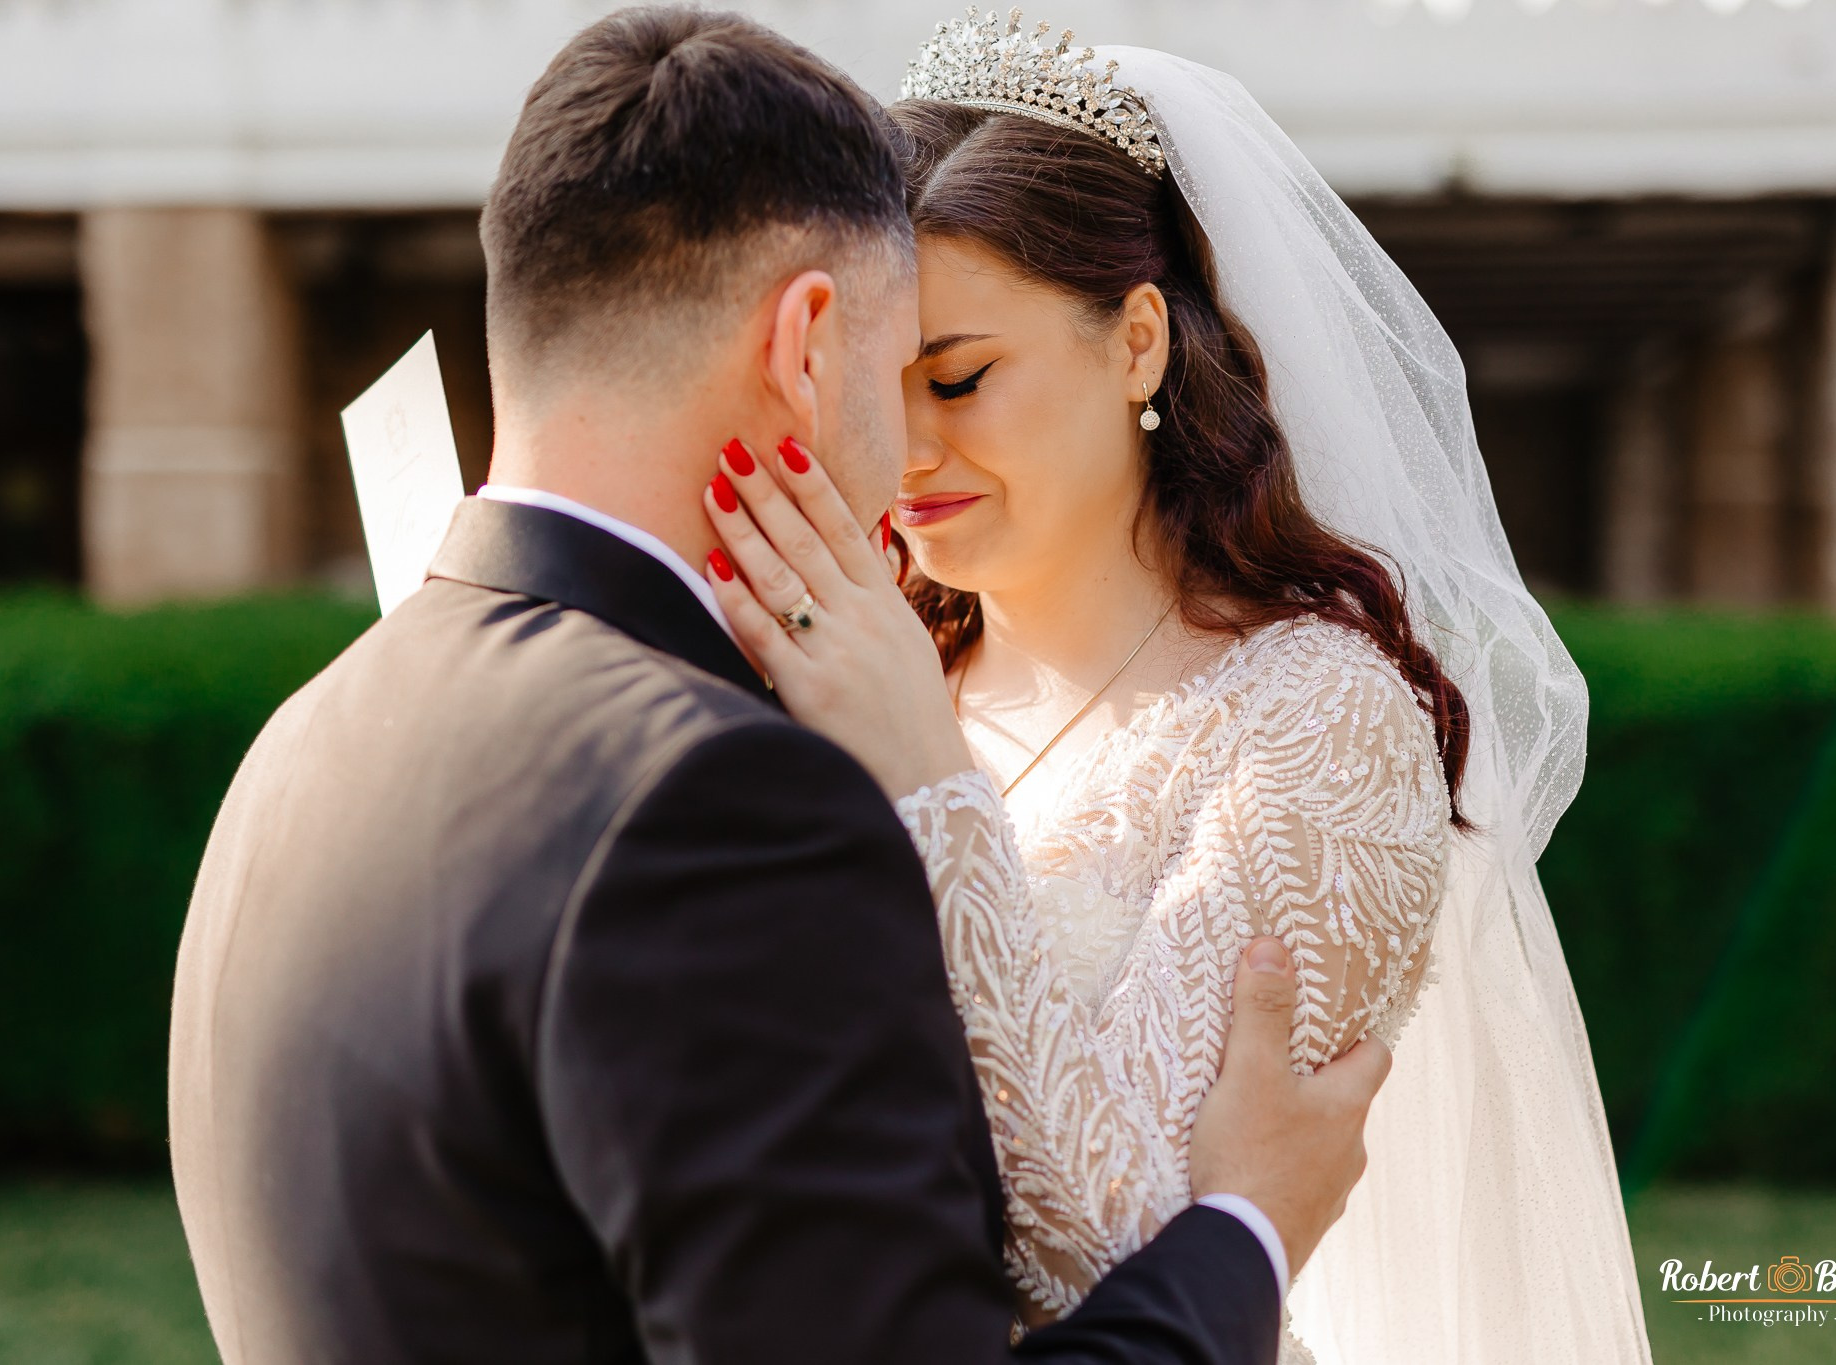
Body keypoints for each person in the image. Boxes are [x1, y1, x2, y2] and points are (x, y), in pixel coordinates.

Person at [166, 9, 1389, 1364]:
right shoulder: (720, 792)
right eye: (892, 365)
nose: (909, 444)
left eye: (959, 375)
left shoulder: (305, 738)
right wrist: (1248, 1225)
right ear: (805, 344)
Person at [695, 12, 1653, 1365]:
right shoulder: (848, 670)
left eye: (959, 377)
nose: (905, 445)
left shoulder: (1318, 722)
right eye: (868, 382)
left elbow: (1143, 1258)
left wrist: (926, 781)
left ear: (1137, 341)